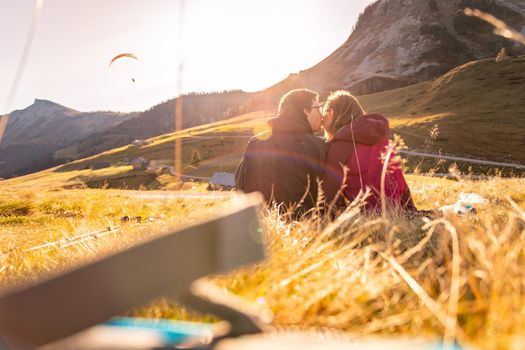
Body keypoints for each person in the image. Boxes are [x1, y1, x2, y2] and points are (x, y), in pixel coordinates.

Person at [321, 90, 416, 212]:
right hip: (396, 213)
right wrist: (410, 211)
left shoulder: (339, 147)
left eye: (324, 112)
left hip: (366, 218)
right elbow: (399, 180)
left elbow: (329, 195)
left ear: (332, 113)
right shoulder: (380, 138)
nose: (322, 119)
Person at [235, 89, 325, 215]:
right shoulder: (316, 146)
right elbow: (327, 197)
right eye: (318, 108)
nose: (322, 115)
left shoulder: (255, 143)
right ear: (305, 112)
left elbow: (240, 185)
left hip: (260, 226)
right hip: (302, 230)